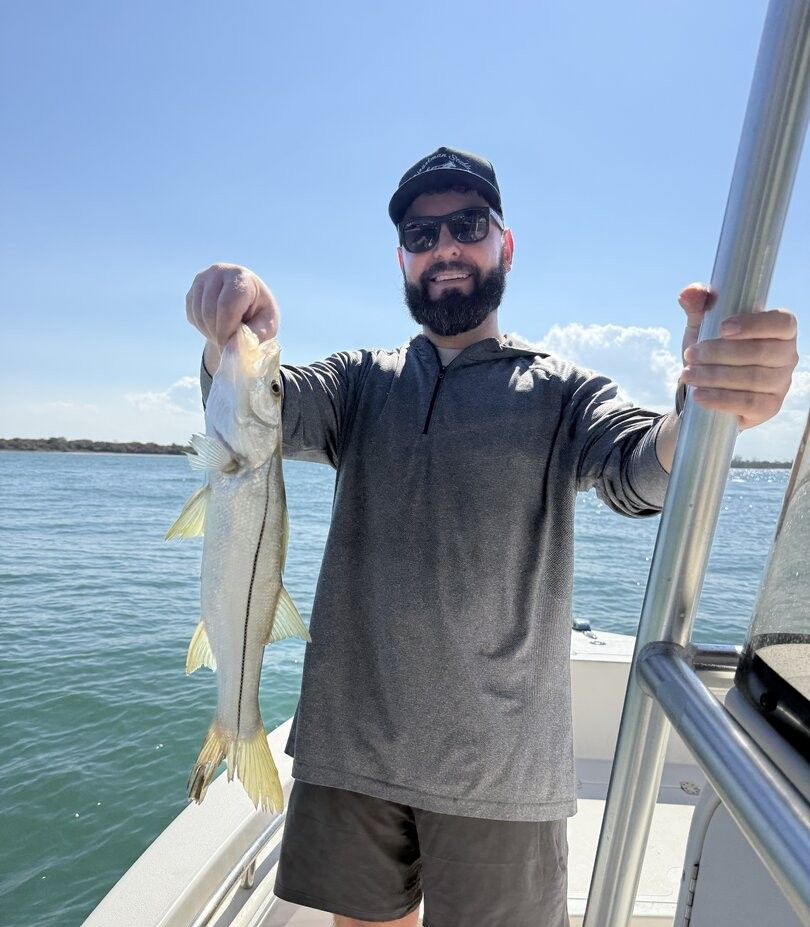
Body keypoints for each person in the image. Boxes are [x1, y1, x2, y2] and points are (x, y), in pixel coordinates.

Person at [186, 147, 798, 927]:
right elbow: (265, 407)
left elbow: (639, 467)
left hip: (504, 772)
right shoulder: (358, 381)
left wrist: (709, 406)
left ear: (504, 244)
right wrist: (228, 333)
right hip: (353, 748)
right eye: (421, 232)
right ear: (401, 257)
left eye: (467, 225)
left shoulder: (564, 390)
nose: (444, 247)